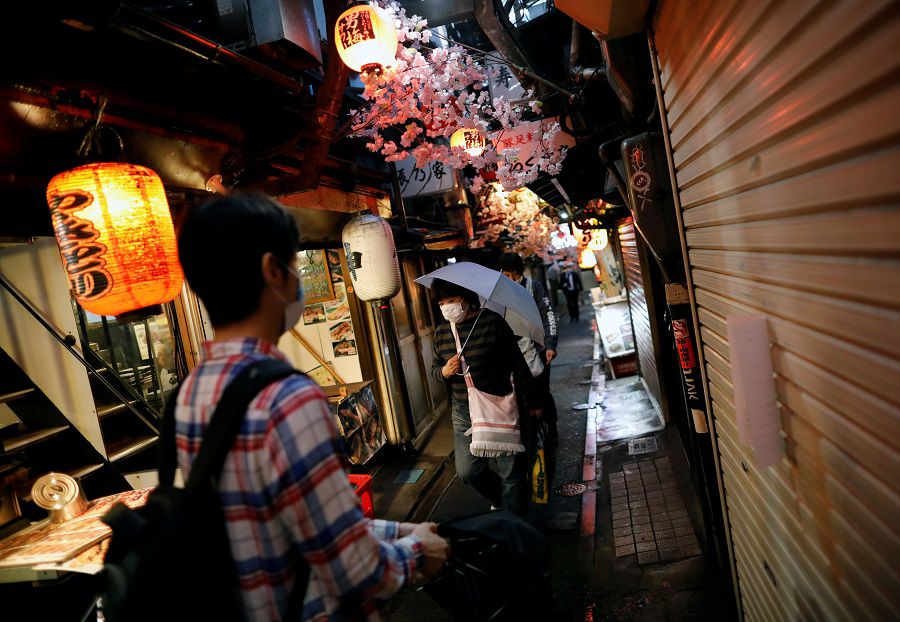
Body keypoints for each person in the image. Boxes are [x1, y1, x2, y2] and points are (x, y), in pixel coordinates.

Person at [176, 192, 449, 621]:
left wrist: (398, 529)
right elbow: (354, 566)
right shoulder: (289, 398)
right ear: (272, 271)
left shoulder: (190, 393)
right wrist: (419, 549)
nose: (298, 278)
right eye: (295, 264)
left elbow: (292, 527)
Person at [430, 278, 542, 516]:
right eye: (441, 302)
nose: (447, 306)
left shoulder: (492, 322)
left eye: (451, 300)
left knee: (510, 474)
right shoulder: (441, 332)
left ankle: (516, 531)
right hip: (463, 411)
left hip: (500, 403)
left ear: (467, 299)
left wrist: (534, 401)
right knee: (468, 472)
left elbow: (517, 363)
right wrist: (444, 372)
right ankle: (500, 498)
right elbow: (434, 369)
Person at [498, 252, 560, 441]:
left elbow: (548, 315)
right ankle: (532, 431)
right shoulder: (500, 292)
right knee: (522, 392)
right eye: (503, 274)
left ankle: (551, 426)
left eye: (508, 275)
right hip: (514, 353)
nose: (505, 278)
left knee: (543, 390)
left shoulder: (534, 288)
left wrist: (550, 344)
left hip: (539, 350)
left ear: (517, 273)